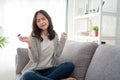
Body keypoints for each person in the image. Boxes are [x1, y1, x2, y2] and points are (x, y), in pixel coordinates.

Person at [18, 10, 76, 80]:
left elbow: (58, 54)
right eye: (38, 21)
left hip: (50, 69)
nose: (41, 22)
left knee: (69, 65)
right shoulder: (33, 37)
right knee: (27, 75)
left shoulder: (54, 35)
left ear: (48, 19)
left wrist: (63, 39)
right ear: (36, 24)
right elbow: (35, 59)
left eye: (43, 19)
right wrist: (29, 44)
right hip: (35, 70)